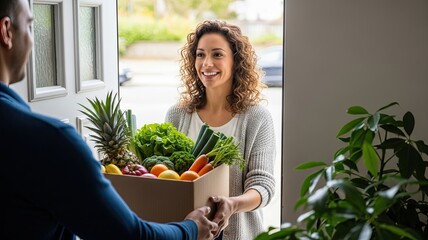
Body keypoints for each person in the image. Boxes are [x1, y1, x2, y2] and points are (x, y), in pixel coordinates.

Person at [0, 0, 218, 239]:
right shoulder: (49, 143)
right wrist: (191, 229)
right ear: (7, 31)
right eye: (30, 26)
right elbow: (131, 236)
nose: (33, 41)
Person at [165, 20, 276, 240]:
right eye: (200, 54)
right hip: (186, 233)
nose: (206, 63)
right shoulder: (177, 115)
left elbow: (263, 186)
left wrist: (233, 205)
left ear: (236, 61)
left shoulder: (256, 118)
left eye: (217, 55)